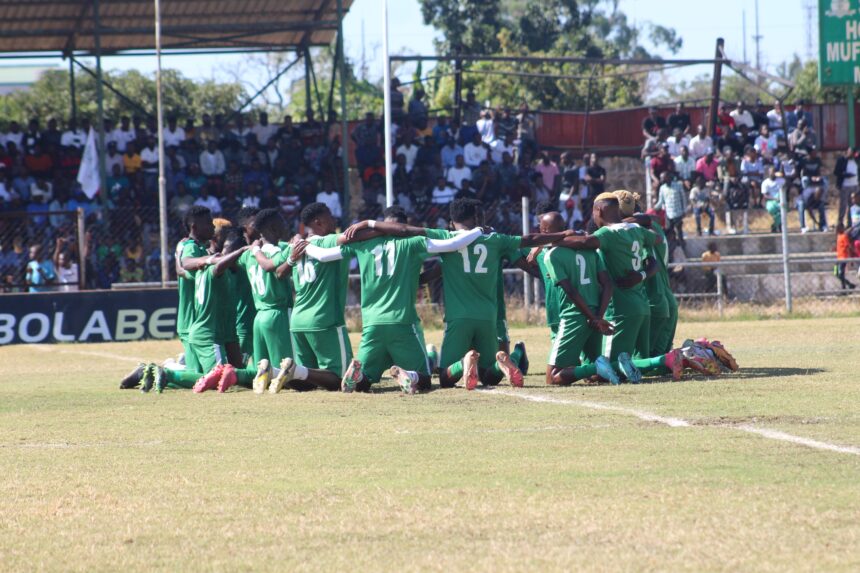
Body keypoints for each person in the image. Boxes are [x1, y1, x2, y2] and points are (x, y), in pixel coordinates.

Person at [303, 205, 485, 394]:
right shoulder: (413, 243)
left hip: (372, 325)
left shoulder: (364, 244)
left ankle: (357, 376)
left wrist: (304, 246)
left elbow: (323, 255)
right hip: (402, 323)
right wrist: (478, 230)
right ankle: (410, 376)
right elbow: (454, 244)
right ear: (403, 227)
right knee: (424, 379)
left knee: (364, 383)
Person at [654, 171, 687, 242]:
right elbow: (661, 201)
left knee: (679, 230)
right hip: (668, 214)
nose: (661, 179)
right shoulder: (662, 188)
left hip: (678, 213)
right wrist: (655, 208)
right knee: (669, 231)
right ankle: (672, 246)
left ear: (667, 177)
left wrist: (684, 210)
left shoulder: (678, 186)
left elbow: (683, 199)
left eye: (662, 178)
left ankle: (682, 245)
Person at [834, 147, 858, 227]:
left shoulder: (856, 160)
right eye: (850, 152)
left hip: (855, 185)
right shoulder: (842, 160)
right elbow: (836, 172)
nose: (851, 154)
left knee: (853, 205)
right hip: (845, 186)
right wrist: (846, 175)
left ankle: (850, 223)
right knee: (843, 205)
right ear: (847, 152)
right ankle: (840, 223)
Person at [761, 167, 785, 233]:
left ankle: (776, 226)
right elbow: (765, 195)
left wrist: (782, 175)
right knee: (773, 210)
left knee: (782, 209)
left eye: (774, 172)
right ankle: (777, 225)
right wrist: (775, 198)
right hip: (770, 201)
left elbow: (787, 187)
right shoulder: (765, 182)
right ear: (768, 173)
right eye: (771, 172)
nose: (772, 173)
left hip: (781, 199)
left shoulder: (781, 181)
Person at [835, 223, 856, 290]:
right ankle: (850, 285)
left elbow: (848, 247)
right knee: (836, 273)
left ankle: (844, 288)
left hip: (843, 258)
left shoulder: (844, 236)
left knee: (841, 274)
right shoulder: (839, 236)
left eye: (838, 228)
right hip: (838, 258)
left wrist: (850, 258)